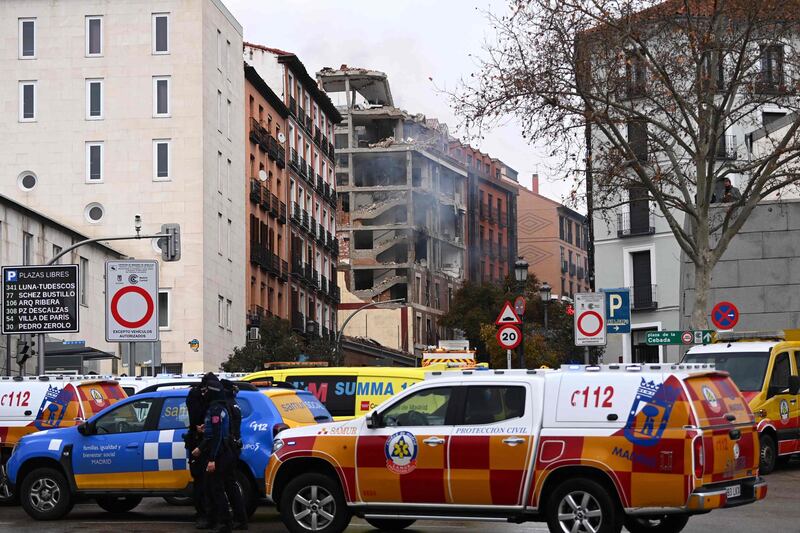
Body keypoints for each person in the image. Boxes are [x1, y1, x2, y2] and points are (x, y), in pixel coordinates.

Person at [200, 373, 236, 533]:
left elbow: (217, 435)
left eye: (206, 391)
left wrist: (212, 459)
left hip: (220, 453)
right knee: (215, 487)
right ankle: (220, 521)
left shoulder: (216, 410)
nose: (204, 393)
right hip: (220, 451)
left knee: (216, 488)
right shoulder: (216, 408)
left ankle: (224, 522)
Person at [184, 380, 209, 529]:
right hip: (202, 443)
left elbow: (195, 418)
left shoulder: (196, 395)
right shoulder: (204, 396)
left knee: (201, 481)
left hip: (201, 445)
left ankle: (204, 514)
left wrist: (196, 428)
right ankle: (204, 513)